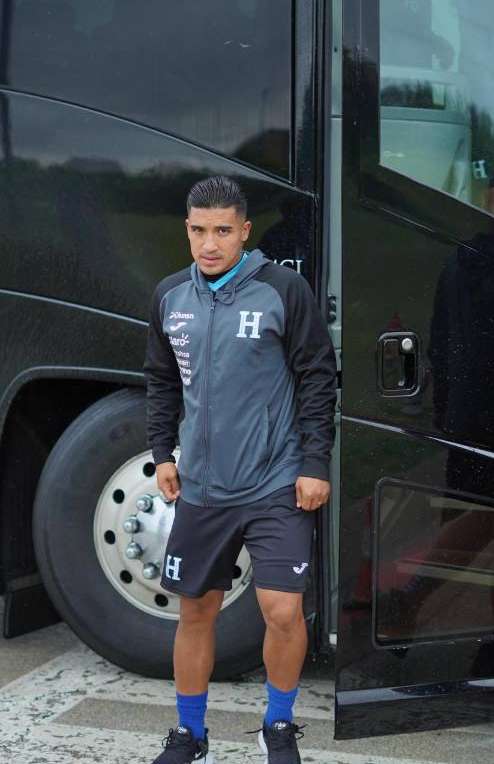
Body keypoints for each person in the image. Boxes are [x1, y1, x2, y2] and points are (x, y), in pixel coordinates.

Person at [144, 175, 338, 764]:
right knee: (196, 610)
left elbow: (317, 377)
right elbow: (160, 379)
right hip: (202, 485)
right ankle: (190, 735)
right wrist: (161, 454)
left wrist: (313, 462)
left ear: (245, 232)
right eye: (200, 231)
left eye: (223, 231)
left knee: (281, 611)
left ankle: (277, 726)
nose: (210, 244)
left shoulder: (283, 290)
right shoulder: (170, 297)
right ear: (187, 230)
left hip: (276, 480)